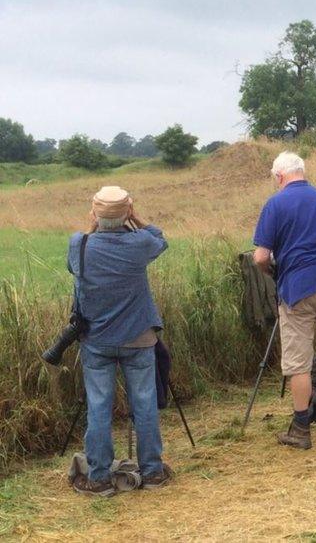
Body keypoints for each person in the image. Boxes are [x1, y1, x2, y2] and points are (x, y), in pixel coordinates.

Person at [68, 186, 171, 496]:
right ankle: (152, 471)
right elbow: (160, 239)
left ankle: (98, 478)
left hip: (96, 339)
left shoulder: (80, 244)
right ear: (128, 212)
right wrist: (136, 218)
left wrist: (94, 225)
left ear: (94, 213)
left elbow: (74, 269)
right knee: (144, 403)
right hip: (139, 338)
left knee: (99, 407)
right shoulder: (139, 242)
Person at [253, 151, 316, 449]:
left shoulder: (275, 203)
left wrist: (273, 269)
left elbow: (260, 256)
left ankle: (301, 428)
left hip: (298, 286)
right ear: (302, 171)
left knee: (299, 362)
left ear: (279, 176)